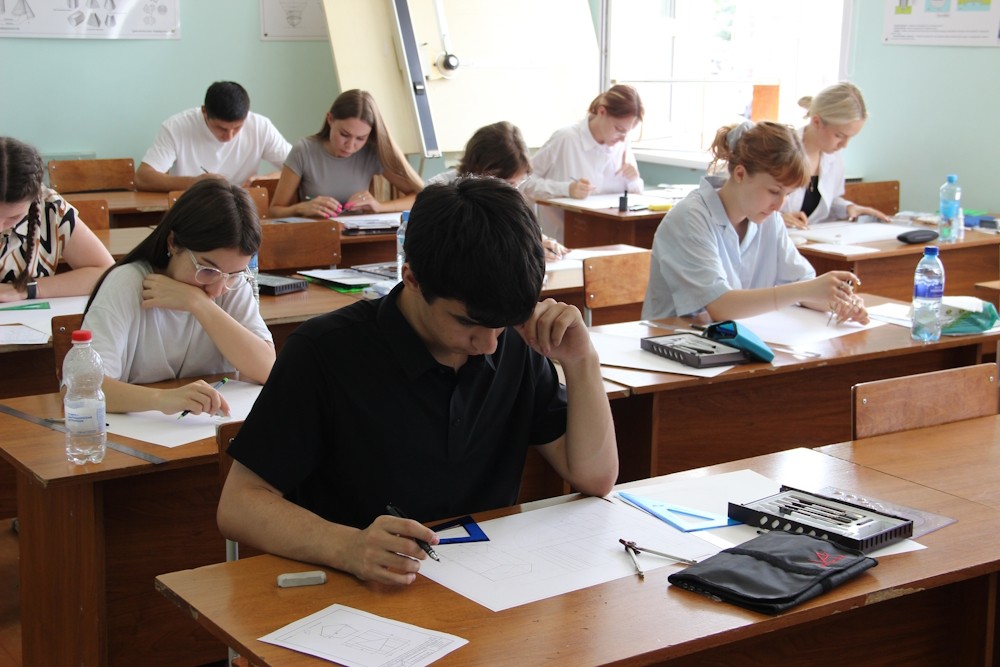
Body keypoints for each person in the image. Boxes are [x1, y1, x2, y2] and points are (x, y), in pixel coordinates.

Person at [218, 178, 618, 586]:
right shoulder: (325, 351)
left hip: (488, 585)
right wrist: (347, 546)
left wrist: (581, 360)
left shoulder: (513, 341)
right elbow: (239, 504)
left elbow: (595, 477)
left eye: (502, 324)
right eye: (468, 323)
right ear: (412, 278)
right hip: (358, 593)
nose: (488, 345)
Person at [642, 121, 869, 325]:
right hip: (673, 345)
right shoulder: (690, 218)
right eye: (774, 191)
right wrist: (805, 290)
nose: (779, 205)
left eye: (788, 194)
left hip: (736, 342)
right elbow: (720, 306)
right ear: (740, 174)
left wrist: (838, 301)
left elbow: (804, 284)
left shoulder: (769, 219)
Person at [81, 180, 275, 416]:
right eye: (207, 270)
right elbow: (84, 388)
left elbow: (267, 369)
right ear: (173, 243)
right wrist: (161, 399)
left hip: (206, 429)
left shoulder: (230, 283)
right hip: (137, 431)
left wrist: (199, 304)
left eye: (234, 274)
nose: (217, 289)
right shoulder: (127, 283)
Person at [268, 89, 423, 219]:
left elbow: (419, 197)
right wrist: (301, 208)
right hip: (316, 237)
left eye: (360, 138)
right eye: (344, 134)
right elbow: (275, 211)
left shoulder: (371, 152)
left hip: (360, 237)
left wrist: (379, 207)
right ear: (330, 119)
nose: (350, 145)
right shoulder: (303, 150)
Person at [427, 121, 568, 259]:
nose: (513, 190)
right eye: (509, 183)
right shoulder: (440, 193)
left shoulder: (510, 195)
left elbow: (521, 230)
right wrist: (523, 249)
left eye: (518, 183)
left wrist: (541, 241)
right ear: (480, 169)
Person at [0, 137, 114, 303]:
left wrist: (27, 289)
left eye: (13, 217)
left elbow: (104, 272)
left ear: (35, 198)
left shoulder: (49, 207)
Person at [134, 81, 291, 192]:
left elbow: (297, 169)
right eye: (221, 128)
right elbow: (142, 178)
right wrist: (194, 182)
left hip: (242, 208)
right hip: (194, 206)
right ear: (204, 111)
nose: (229, 137)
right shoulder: (176, 126)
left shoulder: (260, 126)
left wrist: (263, 180)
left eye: (237, 128)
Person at [780, 82, 890, 229]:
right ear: (816, 122)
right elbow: (755, 202)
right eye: (839, 135)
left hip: (810, 239)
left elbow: (827, 202)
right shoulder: (781, 151)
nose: (844, 145)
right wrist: (777, 218)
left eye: (850, 137)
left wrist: (848, 208)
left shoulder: (833, 157)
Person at [524, 84, 645, 202]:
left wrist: (633, 180)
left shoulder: (622, 145)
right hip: (566, 216)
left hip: (607, 216)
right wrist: (566, 189)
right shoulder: (566, 138)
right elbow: (524, 182)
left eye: (627, 133)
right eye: (619, 129)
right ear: (602, 112)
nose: (622, 139)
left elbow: (637, 200)